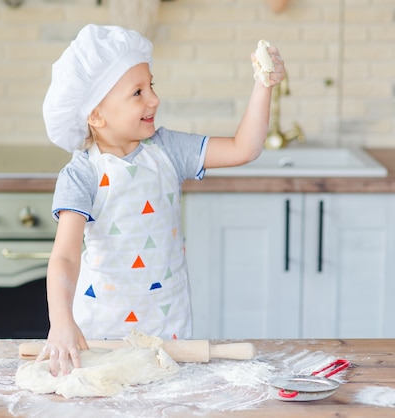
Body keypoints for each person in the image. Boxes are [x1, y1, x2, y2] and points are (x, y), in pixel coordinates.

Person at [39, 24, 285, 375]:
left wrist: (264, 86)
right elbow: (64, 256)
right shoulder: (81, 174)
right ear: (95, 114)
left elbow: (243, 148)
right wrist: (61, 323)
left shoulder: (167, 150)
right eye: (137, 92)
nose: (153, 99)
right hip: (99, 336)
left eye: (151, 86)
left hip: (167, 327)